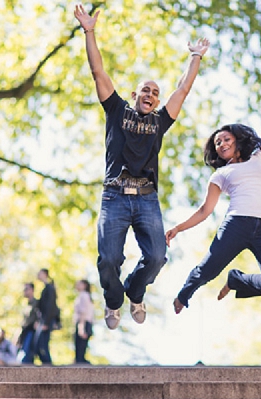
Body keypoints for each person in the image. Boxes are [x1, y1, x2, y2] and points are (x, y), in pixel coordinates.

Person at [74, 4, 210, 329]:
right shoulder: (117, 110)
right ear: (135, 95)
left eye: (155, 92)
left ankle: (136, 293)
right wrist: (89, 32)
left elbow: (183, 89)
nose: (150, 94)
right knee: (108, 259)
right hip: (116, 197)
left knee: (157, 257)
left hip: (147, 199)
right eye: (145, 90)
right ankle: (113, 302)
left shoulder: (161, 121)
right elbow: (98, 73)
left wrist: (196, 57)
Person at [165, 88, 261, 314]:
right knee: (208, 270)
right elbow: (204, 210)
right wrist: (178, 228)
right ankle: (183, 295)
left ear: (237, 140)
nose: (222, 143)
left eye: (226, 139)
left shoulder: (258, 157)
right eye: (217, 143)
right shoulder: (219, 175)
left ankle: (236, 280)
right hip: (237, 224)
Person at [33, 268, 59, 364]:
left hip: (46, 321)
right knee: (38, 345)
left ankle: (48, 366)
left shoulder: (50, 288)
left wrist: (46, 322)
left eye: (40, 273)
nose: (38, 275)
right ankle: (47, 365)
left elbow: (50, 306)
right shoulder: (45, 289)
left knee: (42, 345)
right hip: (43, 321)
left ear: (45, 274)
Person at [73, 279, 94, 364]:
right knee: (80, 349)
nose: (77, 285)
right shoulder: (85, 296)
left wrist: (81, 327)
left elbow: (83, 311)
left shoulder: (84, 295)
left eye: (79, 284)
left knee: (80, 348)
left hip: (83, 322)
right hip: (85, 322)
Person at [17, 282, 38, 364]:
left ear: (32, 290)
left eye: (26, 289)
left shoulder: (36, 303)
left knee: (27, 355)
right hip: (25, 332)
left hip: (32, 332)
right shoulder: (26, 305)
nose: (24, 291)